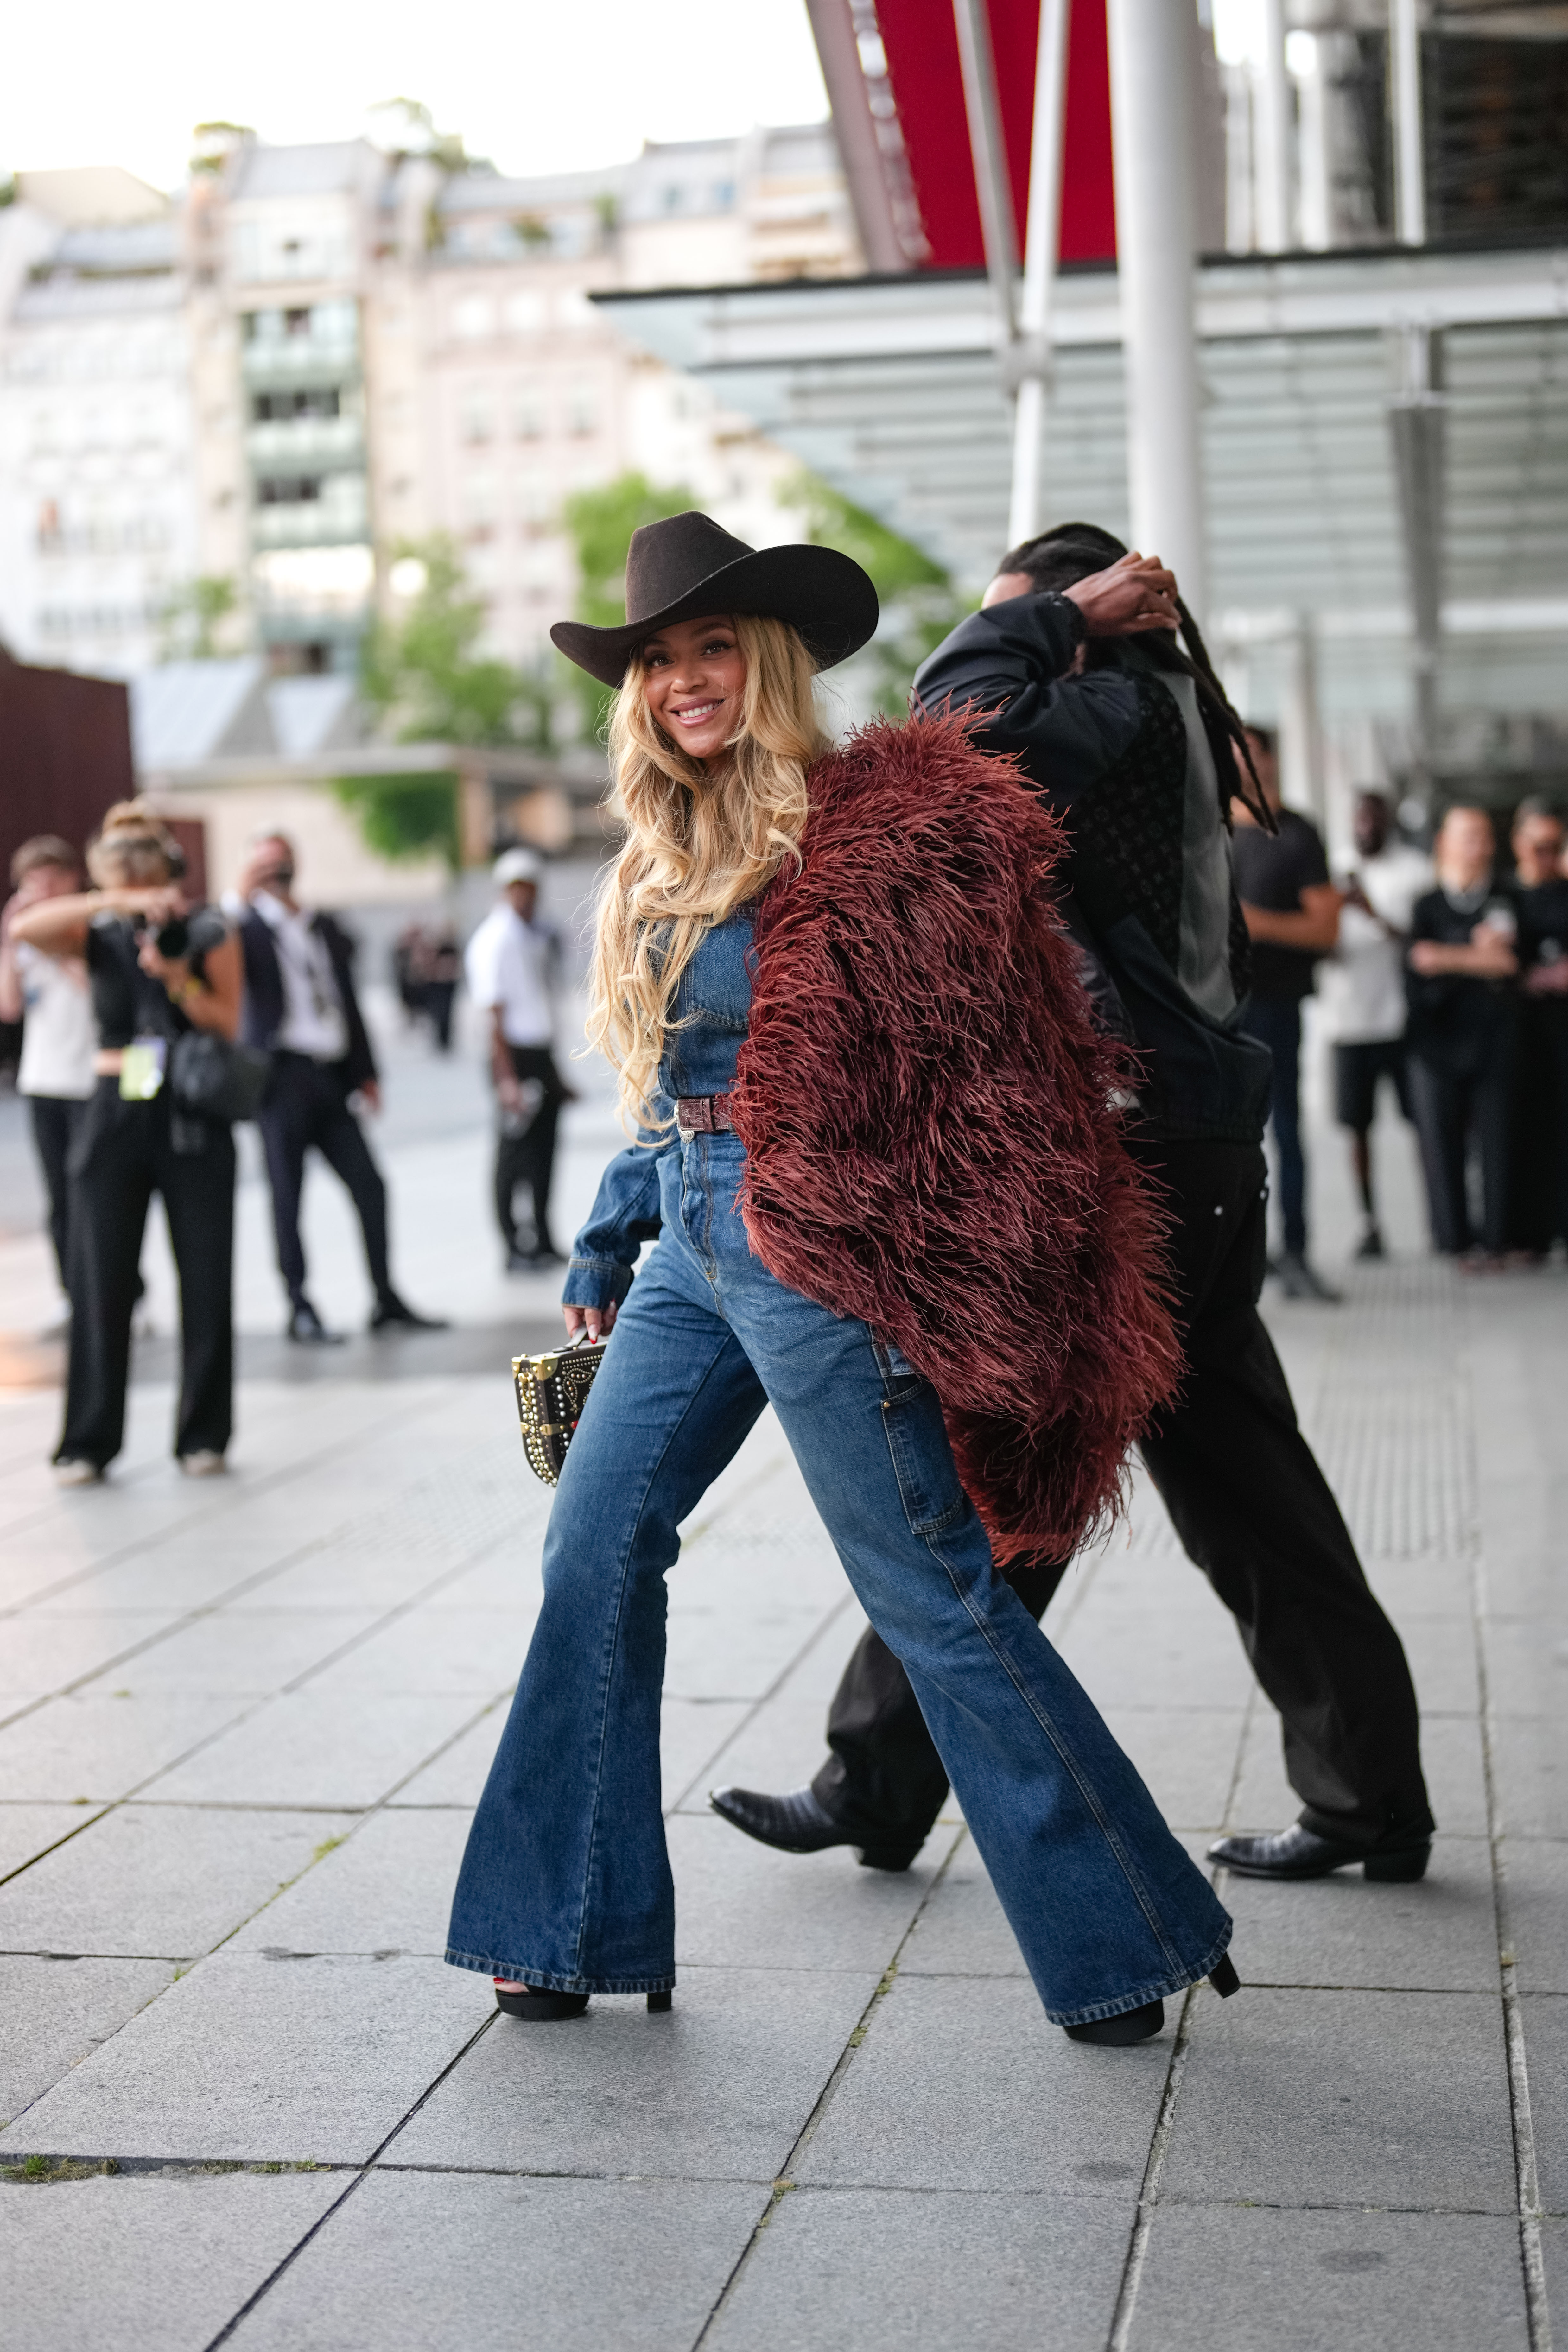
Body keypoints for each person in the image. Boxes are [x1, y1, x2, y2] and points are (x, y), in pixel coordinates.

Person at [445, 510, 1238, 2047]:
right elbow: (679, 1083)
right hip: (689, 1234)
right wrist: (612, 1230)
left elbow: (974, 1058)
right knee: (589, 1550)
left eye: (712, 648)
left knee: (929, 1589)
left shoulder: (860, 818)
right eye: (661, 659)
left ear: (769, 656)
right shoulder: (665, 848)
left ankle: (1124, 1928)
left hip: (819, 1241)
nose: (685, 679)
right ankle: (561, 1920)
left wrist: (922, 1245)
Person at [711, 522, 1433, 1890]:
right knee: (1206, 1483)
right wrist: (1054, 617)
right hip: (1184, 1147)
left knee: (1027, 1462)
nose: (999, 634)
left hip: (1153, 1155)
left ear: (1081, 618)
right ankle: (1364, 1797)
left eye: (1022, 615)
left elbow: (950, 713)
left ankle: (875, 1780)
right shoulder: (1138, 712)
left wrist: (1050, 618)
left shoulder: (1115, 707)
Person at [10, 801, 244, 1484]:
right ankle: (89, 1439)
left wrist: (177, 975)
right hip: (113, 1108)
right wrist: (116, 902)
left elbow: (225, 1020)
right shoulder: (97, 929)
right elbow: (26, 927)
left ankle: (204, 1434)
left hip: (191, 1111)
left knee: (205, 1276)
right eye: (119, 869)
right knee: (99, 1277)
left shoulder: (206, 928)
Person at [235, 831, 444, 1342]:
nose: (277, 875)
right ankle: (299, 1305)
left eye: (283, 864)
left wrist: (366, 1072)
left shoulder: (319, 924)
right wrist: (240, 896)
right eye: (267, 866)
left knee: (370, 1185)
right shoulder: (244, 925)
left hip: (329, 1076)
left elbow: (346, 999)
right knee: (288, 1195)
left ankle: (385, 1296)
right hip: (281, 1076)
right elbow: (218, 946)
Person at [1228, 726, 1343, 1300]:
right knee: (1225, 1136)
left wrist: (1261, 924)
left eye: (1243, 747)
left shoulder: (1296, 834)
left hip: (1275, 1005)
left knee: (1288, 1131)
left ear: (1267, 757)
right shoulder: (1204, 829)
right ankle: (1240, 1257)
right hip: (1216, 1011)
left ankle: (1295, 1251)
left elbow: (1327, 928)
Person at [1317, 792, 1432, 1259]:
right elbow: (1320, 940)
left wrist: (1370, 911)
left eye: (1374, 818)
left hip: (1402, 1021)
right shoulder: (1333, 867)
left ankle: (1438, 1215)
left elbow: (1421, 942)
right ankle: (1369, 1222)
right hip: (1348, 1022)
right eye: (1359, 818)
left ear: (1387, 821)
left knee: (1423, 1122)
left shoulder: (1415, 870)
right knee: (1357, 1129)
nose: (1366, 826)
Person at [1406, 805, 1520, 1264]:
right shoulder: (1426, 904)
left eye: (1484, 836)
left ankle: (1497, 1239)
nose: (1476, 846)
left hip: (1493, 1038)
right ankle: (1452, 1240)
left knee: (1497, 1140)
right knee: (1439, 1143)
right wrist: (1474, 954)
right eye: (1466, 836)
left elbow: (1507, 963)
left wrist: (1446, 956)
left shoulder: (1505, 898)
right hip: (1434, 1042)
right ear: (1445, 844)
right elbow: (1418, 962)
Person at [0, 836, 96, 1316]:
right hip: (44, 1080)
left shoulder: (90, 929)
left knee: (98, 1195)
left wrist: (54, 941)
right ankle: (70, 1291)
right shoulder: (23, 940)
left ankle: (124, 1290)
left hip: (90, 1079)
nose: (44, 890)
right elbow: (9, 1005)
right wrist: (11, 937)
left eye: (53, 880)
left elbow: (97, 990)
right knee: (59, 1197)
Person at [465, 849, 571, 1271]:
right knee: (513, 1153)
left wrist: (555, 1073)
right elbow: (493, 1014)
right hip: (509, 1054)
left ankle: (542, 1236)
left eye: (530, 887)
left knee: (545, 1149)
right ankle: (512, 1244)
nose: (524, 896)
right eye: (516, 888)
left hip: (539, 1054)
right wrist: (505, 1078)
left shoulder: (537, 934)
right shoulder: (495, 940)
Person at [1507, 798, 1568, 1258]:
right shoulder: (1504, 895)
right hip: (1517, 1032)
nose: (1546, 856)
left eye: (1555, 846)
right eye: (1538, 846)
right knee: (1523, 1131)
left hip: (1561, 1030)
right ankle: (1527, 1234)